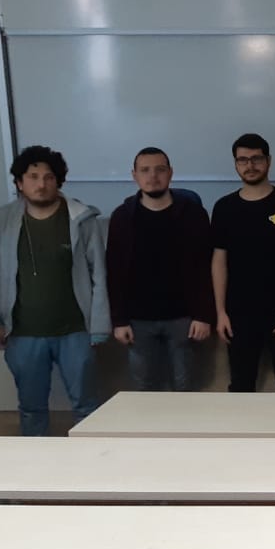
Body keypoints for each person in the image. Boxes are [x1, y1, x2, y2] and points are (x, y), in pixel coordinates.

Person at [0, 145, 109, 435]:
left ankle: (92, 458)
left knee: (86, 405)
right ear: (19, 182)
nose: (41, 184)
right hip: (23, 332)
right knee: (31, 407)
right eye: (33, 177)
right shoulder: (2, 221)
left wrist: (100, 325)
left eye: (49, 177)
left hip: (76, 330)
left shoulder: (81, 218)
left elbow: (99, 275)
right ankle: (35, 460)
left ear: (59, 181)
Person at [104, 148, 214, 392]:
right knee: (144, 389)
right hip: (137, 320)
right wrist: (118, 320)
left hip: (184, 318)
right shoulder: (122, 217)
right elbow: (115, 271)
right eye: (145, 170)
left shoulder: (193, 214)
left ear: (170, 173)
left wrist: (203, 315)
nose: (152, 176)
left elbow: (204, 268)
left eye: (160, 169)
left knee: (185, 388)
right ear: (134, 175)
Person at [210, 133, 275, 394]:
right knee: (241, 386)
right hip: (238, 315)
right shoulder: (224, 208)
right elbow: (219, 262)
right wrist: (221, 312)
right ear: (235, 163)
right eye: (242, 160)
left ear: (268, 161)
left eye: (256, 159)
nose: (250, 165)